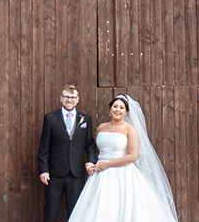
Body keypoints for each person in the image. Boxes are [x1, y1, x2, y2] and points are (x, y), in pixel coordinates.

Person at [67, 94, 178, 222]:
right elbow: (99, 150)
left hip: (122, 174)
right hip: (100, 174)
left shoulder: (131, 130)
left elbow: (132, 156)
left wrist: (107, 165)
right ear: (110, 109)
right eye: (115, 106)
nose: (117, 110)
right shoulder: (102, 127)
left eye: (121, 107)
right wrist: (92, 164)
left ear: (126, 112)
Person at [38, 84, 98, 222]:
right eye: (66, 97)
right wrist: (43, 170)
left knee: (75, 212)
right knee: (51, 211)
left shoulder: (85, 119)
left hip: (76, 174)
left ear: (77, 100)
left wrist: (91, 161)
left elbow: (89, 144)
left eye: (72, 97)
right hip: (54, 174)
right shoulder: (50, 118)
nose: (69, 100)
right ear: (61, 98)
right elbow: (43, 148)